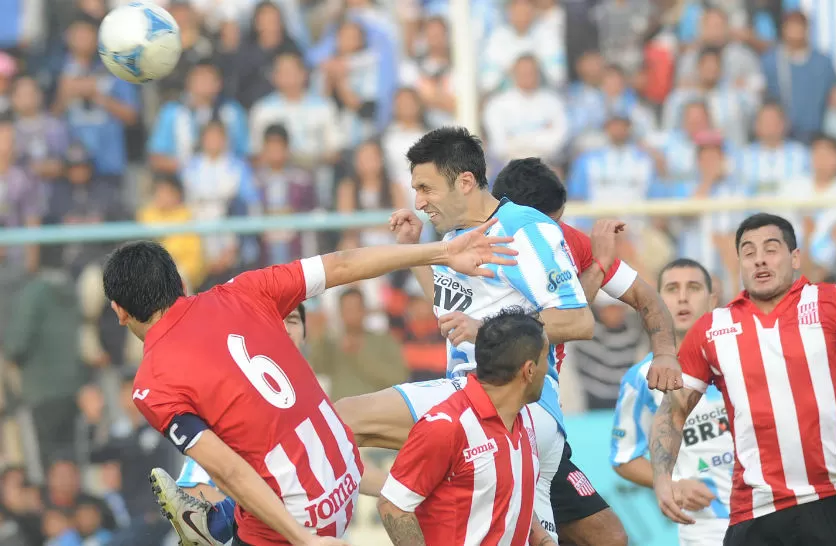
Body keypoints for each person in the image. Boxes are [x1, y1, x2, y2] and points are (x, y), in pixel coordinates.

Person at [333, 127, 680, 544]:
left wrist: (488, 334)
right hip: (468, 396)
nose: (418, 201)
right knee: (336, 423)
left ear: (464, 182)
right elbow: (451, 310)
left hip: (518, 405)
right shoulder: (454, 239)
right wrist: (415, 251)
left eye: (425, 188)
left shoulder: (526, 229)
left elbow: (577, 322)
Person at [104, 227, 516, 546]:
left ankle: (215, 520)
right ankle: (218, 519)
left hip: (296, 518)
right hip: (344, 478)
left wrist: (303, 539)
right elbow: (342, 263)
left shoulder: (151, 384)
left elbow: (228, 470)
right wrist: (441, 251)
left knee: (228, 478)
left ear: (120, 312)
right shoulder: (244, 289)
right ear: (179, 281)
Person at [649, 213, 836, 546]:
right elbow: (673, 409)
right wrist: (661, 477)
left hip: (829, 498)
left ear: (795, 257)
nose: (759, 259)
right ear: (739, 262)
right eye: (748, 251)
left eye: (771, 248)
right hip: (753, 509)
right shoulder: (713, 328)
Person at [491, 157, 681, 545]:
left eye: (559, 223)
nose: (555, 233)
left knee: (608, 537)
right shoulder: (478, 251)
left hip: (544, 415)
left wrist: (664, 352)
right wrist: (599, 265)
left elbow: (647, 298)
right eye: (551, 223)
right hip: (496, 420)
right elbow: (564, 322)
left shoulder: (566, 241)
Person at [376, 307, 555, 545]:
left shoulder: (523, 418)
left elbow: (510, 492)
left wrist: (542, 539)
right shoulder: (447, 426)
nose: (548, 369)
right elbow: (393, 506)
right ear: (529, 370)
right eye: (545, 359)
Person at [150, 303, 310, 546]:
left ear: (306, 334)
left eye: (293, 320)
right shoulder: (232, 407)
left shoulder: (320, 403)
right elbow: (195, 495)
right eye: (275, 321)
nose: (285, 329)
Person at [611, 259, 732, 546]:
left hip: (765, 515)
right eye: (671, 288)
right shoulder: (641, 378)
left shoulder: (741, 361)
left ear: (712, 299)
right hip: (705, 528)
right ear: (657, 301)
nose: (682, 297)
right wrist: (671, 484)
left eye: (693, 287)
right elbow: (624, 459)